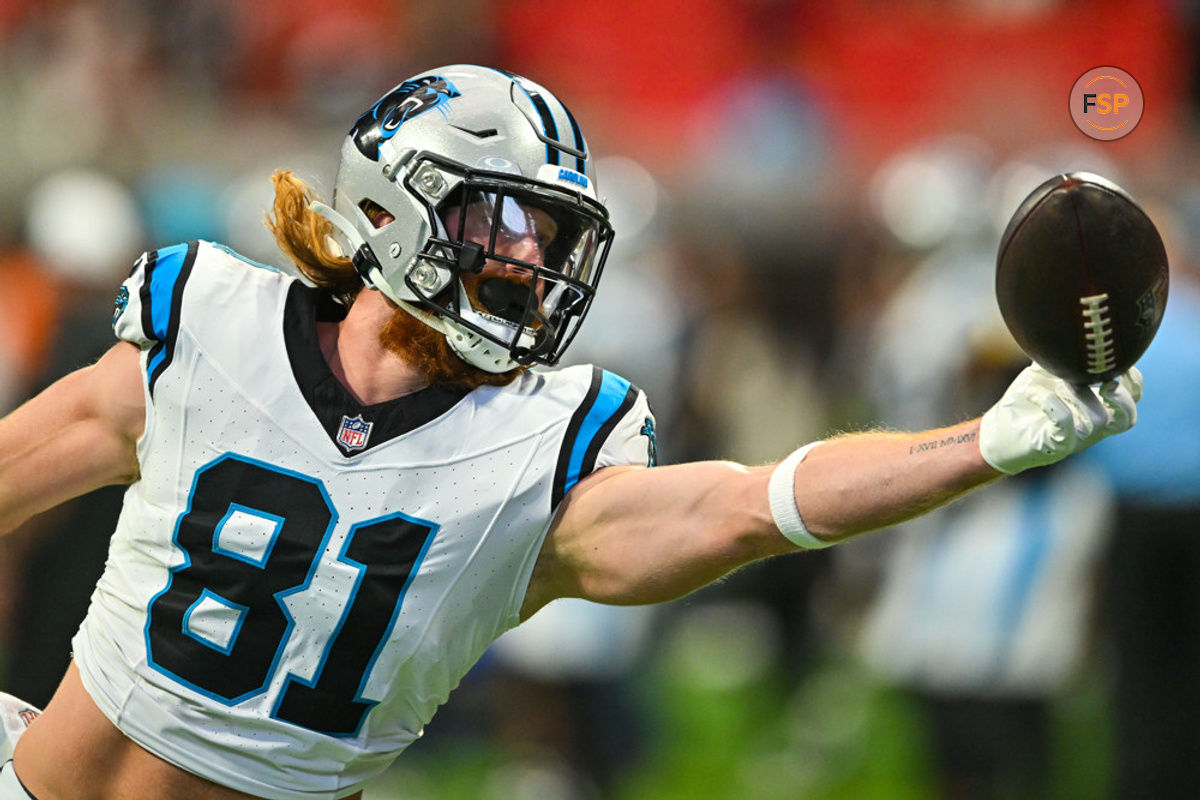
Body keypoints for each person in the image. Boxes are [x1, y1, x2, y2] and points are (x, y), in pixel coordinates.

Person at [0, 64, 1140, 800]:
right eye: (509, 223)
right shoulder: (209, 326)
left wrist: (985, 441)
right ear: (396, 207)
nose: (534, 265)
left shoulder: (533, 449)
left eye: (551, 238)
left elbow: (755, 503)